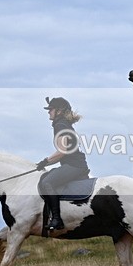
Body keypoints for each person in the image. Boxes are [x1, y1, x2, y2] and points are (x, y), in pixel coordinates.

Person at [36, 97, 90, 231]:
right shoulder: (64, 124)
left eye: (51, 110)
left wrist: (45, 162)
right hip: (76, 165)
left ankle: (56, 219)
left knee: (47, 182)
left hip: (74, 166)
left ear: (59, 111)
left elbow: (62, 152)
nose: (49, 112)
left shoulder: (60, 125)